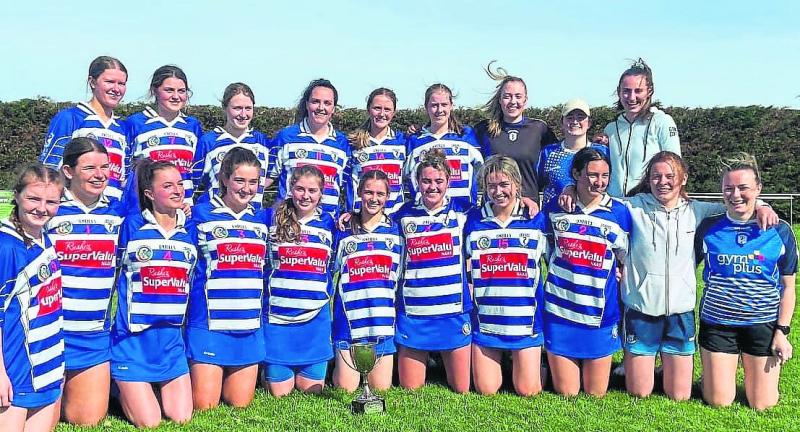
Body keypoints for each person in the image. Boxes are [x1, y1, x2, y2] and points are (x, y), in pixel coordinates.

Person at [561, 151, 778, 399]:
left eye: (669, 176)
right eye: (656, 176)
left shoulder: (698, 212)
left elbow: (737, 204)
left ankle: (679, 367)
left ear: (683, 178)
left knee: (680, 395)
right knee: (639, 392)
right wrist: (570, 188)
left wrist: (763, 204)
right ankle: (642, 365)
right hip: (641, 311)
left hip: (680, 314)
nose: (662, 182)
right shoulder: (632, 206)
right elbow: (596, 195)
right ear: (648, 179)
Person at [696, 153, 797, 410]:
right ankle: (713, 376)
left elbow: (788, 287)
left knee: (762, 404)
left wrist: (781, 332)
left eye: (743, 188)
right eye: (728, 188)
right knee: (718, 401)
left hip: (761, 323)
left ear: (758, 189)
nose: (735, 194)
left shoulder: (780, 229)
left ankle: (744, 369)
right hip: (718, 323)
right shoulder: (708, 227)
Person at [111, 160, 197, 428]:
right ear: (148, 193)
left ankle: (140, 387)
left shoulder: (190, 230)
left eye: (180, 184)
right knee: (149, 422)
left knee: (181, 416)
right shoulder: (130, 226)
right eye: (167, 186)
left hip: (170, 342)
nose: (177, 191)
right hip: (133, 341)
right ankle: (116, 385)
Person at [47, 138, 125, 425]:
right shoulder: (50, 208)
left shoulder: (118, 212)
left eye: (105, 167)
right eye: (90, 167)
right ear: (68, 171)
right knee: (44, 420)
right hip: (49, 332)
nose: (100, 174)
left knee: (86, 421)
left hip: (93, 334)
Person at [541, 147, 631, 397]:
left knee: (595, 393)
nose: (599, 182)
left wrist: (619, 270)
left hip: (599, 313)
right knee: (568, 392)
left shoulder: (619, 212)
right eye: (592, 175)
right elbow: (545, 248)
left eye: (604, 175)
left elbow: (625, 256)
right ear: (576, 173)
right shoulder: (556, 208)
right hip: (560, 311)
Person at [187, 148, 268, 409]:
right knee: (205, 405)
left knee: (239, 402)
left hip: (248, 324)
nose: (246, 188)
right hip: (209, 324)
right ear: (224, 178)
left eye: (253, 182)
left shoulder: (263, 218)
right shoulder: (199, 214)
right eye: (240, 180)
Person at [464, 155, 548, 396]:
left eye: (504, 185)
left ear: (517, 185)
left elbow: (557, 257)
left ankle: (540, 365)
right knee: (487, 389)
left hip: (525, 321)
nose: (498, 191)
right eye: (491, 186)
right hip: (487, 321)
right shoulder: (472, 219)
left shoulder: (536, 219)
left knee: (527, 391)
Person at [393, 149, 472, 394]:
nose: (432, 187)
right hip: (415, 312)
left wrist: (527, 201)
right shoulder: (402, 215)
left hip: (452, 311)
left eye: (439, 181)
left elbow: (503, 206)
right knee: (411, 388)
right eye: (426, 181)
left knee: (461, 388)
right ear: (417, 182)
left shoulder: (465, 212)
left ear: (449, 182)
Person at [262, 165, 337, 397]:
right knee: (280, 394)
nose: (306, 196)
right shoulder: (269, 218)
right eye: (300, 189)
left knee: (311, 390)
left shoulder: (331, 224)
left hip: (314, 319)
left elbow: (332, 266)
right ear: (290, 189)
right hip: (277, 319)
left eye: (312, 190)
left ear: (321, 192)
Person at [0, 163, 64, 432]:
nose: (42, 208)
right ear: (16, 195)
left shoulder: (43, 237)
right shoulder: (6, 246)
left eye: (51, 201)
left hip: (46, 361)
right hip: (15, 367)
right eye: (33, 198)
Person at [332, 170, 402, 391]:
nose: (374, 198)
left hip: (382, 321)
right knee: (346, 388)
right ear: (360, 193)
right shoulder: (343, 230)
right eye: (368, 192)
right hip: (349, 322)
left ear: (388, 196)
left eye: (380, 193)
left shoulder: (397, 230)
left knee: (381, 388)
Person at [40, 56, 130, 200]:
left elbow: (124, 177)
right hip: (73, 211)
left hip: (112, 213)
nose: (116, 89)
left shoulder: (123, 127)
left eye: (121, 83)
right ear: (92, 82)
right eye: (109, 82)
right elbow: (49, 169)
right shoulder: (70, 118)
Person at [474, 62, 557, 209]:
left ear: (525, 100)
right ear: (500, 100)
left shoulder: (539, 129)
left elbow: (558, 160)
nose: (513, 101)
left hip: (528, 208)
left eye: (518, 96)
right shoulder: (483, 130)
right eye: (507, 96)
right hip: (493, 208)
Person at [269, 79, 350, 217]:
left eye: (327, 103)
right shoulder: (286, 137)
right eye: (315, 101)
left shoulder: (343, 144)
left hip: (326, 226)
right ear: (307, 104)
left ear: (333, 109)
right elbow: (265, 179)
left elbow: (348, 187)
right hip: (287, 221)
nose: (321, 107)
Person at [126, 65, 203, 207]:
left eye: (181, 91)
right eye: (169, 90)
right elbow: (126, 169)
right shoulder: (136, 123)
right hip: (146, 208)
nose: (176, 96)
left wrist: (188, 202)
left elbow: (197, 173)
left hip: (184, 209)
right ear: (155, 91)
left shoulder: (193, 126)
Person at [603, 58, 680, 197]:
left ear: (649, 91)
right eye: (626, 91)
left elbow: (675, 168)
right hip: (616, 205)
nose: (632, 97)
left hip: (648, 205)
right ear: (619, 92)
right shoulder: (610, 129)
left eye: (638, 91)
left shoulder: (662, 122)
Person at [405, 84, 482, 210]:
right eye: (434, 105)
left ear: (451, 106)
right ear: (426, 107)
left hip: (463, 214)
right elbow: (409, 177)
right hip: (427, 216)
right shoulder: (415, 140)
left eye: (444, 105)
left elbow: (481, 170)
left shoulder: (467, 136)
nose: (439, 110)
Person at [193, 83, 270, 209]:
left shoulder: (261, 141)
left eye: (248, 108)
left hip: (252, 220)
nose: (243, 114)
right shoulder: (209, 141)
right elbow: (191, 182)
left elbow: (275, 174)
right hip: (217, 220)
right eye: (237, 108)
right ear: (224, 108)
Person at [345, 88, 407, 215]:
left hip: (393, 220)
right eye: (377, 108)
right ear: (368, 109)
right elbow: (347, 185)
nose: (382, 114)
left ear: (394, 112)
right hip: (361, 219)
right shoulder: (353, 143)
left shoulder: (403, 141)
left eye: (387, 109)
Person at [537, 98, 608, 206]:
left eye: (580, 117)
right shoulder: (548, 152)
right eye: (570, 117)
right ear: (562, 122)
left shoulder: (603, 151)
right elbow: (536, 183)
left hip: (592, 217)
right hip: (552, 216)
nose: (575, 122)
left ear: (589, 123)